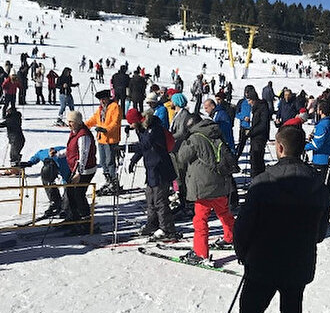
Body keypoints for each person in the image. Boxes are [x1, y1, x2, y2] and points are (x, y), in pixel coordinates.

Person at [231, 125, 330, 313]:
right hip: (297, 264)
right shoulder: (317, 183)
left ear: (280, 148)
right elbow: (320, 232)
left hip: (262, 262)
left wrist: (243, 254)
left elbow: (243, 227)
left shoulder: (264, 181)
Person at [176, 115, 235, 264]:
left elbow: (181, 158)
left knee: (200, 220)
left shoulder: (195, 138)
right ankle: (233, 237)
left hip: (204, 186)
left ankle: (201, 252)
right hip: (220, 183)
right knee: (224, 213)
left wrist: (184, 141)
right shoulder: (215, 132)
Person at [126, 108, 180, 240]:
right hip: (151, 169)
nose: (131, 126)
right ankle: (152, 224)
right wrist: (133, 160)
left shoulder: (154, 128)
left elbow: (146, 144)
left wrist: (127, 148)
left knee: (160, 201)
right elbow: (144, 148)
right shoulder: (142, 128)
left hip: (161, 169)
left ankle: (167, 228)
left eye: (131, 123)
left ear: (137, 121)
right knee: (150, 199)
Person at [55, 111, 96, 233]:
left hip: (85, 169)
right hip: (76, 168)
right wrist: (59, 154)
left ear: (77, 122)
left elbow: (83, 153)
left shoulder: (83, 135)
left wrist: (79, 173)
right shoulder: (75, 132)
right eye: (68, 122)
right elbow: (71, 149)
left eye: (71, 122)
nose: (69, 124)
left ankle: (85, 220)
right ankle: (73, 216)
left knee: (78, 193)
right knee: (70, 191)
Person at [86, 89, 123, 196]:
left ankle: (114, 182)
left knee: (110, 162)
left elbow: (115, 123)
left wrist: (106, 129)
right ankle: (108, 180)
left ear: (108, 98)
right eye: (100, 100)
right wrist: (84, 125)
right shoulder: (101, 109)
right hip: (101, 138)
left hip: (111, 139)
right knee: (103, 162)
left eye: (103, 99)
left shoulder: (115, 107)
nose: (102, 101)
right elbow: (94, 119)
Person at [304, 100, 330, 207]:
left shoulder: (323, 125)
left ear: (321, 111)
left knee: (319, 184)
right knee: (328, 183)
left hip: (321, 158)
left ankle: (322, 206)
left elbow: (317, 144)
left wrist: (304, 146)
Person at [18, 146, 69, 217]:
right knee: (46, 180)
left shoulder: (63, 164)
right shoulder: (44, 155)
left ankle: (67, 206)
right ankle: (55, 202)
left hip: (70, 160)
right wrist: (30, 163)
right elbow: (38, 155)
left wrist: (65, 206)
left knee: (69, 185)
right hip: (52, 163)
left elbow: (66, 182)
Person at [0, 107, 25, 175]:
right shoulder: (17, 118)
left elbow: (2, 125)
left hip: (15, 140)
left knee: (13, 155)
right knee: (15, 154)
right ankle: (16, 169)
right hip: (19, 139)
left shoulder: (10, 120)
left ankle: (15, 170)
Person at [246, 89, 271, 178]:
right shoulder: (256, 108)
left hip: (260, 137)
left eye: (249, 100)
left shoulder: (262, 107)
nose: (248, 103)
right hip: (255, 137)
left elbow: (263, 125)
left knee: (257, 159)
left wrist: (251, 132)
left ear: (254, 99)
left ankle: (258, 178)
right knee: (254, 159)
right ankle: (256, 178)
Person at [234, 85, 256, 159]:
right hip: (244, 126)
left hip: (254, 127)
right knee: (241, 145)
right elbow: (236, 113)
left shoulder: (256, 101)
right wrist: (243, 117)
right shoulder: (241, 102)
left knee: (254, 147)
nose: (247, 94)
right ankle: (235, 159)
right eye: (246, 92)